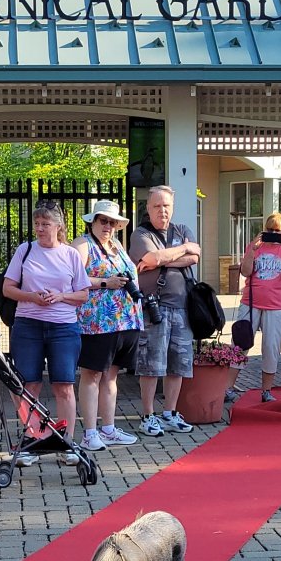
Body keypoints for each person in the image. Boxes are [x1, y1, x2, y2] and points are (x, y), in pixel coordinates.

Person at [1, 201, 90, 462]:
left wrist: (60, 296)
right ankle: (34, 440)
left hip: (63, 327)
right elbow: (7, 288)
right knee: (29, 385)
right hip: (28, 325)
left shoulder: (70, 254)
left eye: (45, 224)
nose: (40, 229)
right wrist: (32, 297)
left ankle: (67, 441)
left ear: (58, 226)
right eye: (37, 224)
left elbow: (83, 294)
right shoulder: (25, 250)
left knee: (64, 385)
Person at [72, 200, 143, 453]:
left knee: (111, 376)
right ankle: (90, 433)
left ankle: (109, 429)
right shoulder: (82, 245)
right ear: (93, 221)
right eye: (103, 221)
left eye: (113, 223)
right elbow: (72, 277)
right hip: (96, 323)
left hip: (124, 321)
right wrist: (105, 282)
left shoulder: (117, 246)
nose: (108, 226)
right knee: (91, 375)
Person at [131, 186, 200, 437]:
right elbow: (151, 258)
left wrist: (163, 258)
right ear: (148, 209)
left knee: (177, 365)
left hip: (182, 307)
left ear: (172, 207)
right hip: (154, 307)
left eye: (166, 206)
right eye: (157, 206)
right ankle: (148, 416)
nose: (162, 211)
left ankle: (170, 413)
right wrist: (183, 249)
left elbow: (195, 256)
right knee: (151, 364)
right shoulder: (141, 233)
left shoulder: (181, 230)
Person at [235, 211, 281, 403]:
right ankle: (227, 388)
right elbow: (246, 271)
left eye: (277, 231)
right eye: (269, 230)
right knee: (240, 344)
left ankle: (266, 391)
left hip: (276, 305)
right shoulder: (255, 246)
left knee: (271, 347)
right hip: (251, 302)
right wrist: (252, 249)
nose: (273, 234)